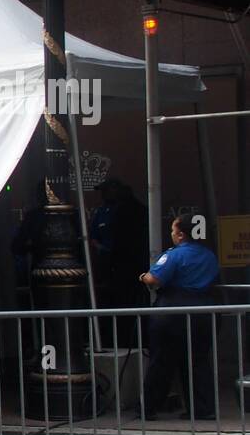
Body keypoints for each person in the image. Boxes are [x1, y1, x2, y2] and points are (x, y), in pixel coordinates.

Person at [139, 214, 220, 419]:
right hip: (203, 312)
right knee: (198, 361)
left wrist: (142, 277)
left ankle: (149, 408)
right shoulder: (209, 255)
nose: (172, 235)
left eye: (174, 231)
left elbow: (154, 278)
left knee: (162, 361)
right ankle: (203, 409)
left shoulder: (175, 255)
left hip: (172, 312)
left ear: (182, 235)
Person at [89, 178, 149, 311]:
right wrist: (101, 249)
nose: (103, 194)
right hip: (107, 265)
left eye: (106, 190)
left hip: (130, 265)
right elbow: (93, 236)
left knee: (129, 299)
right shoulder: (102, 211)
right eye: (102, 191)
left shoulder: (133, 209)